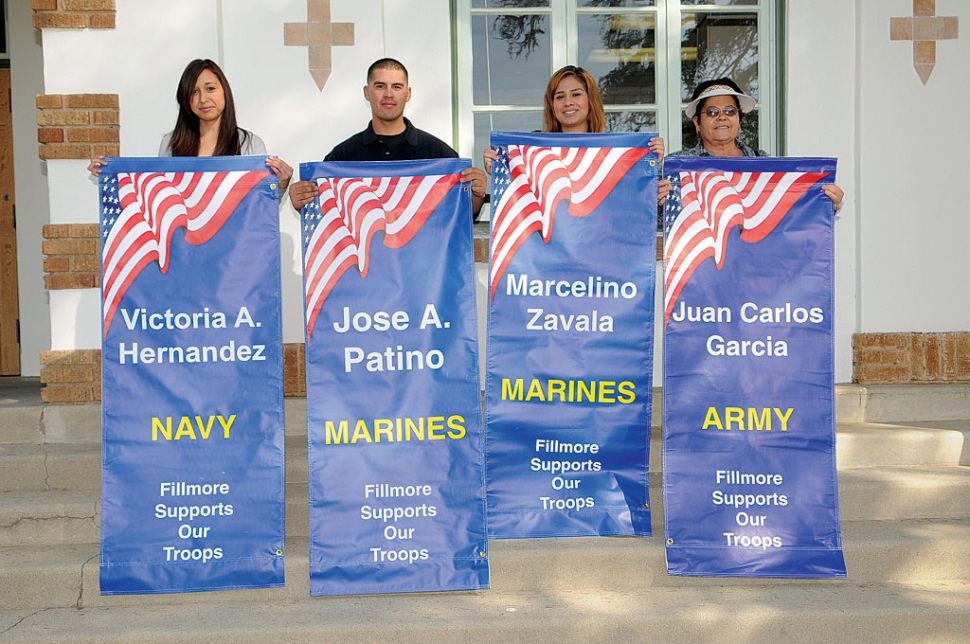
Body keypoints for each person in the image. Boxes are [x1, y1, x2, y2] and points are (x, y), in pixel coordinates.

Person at [288, 58, 487, 216]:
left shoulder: (439, 154)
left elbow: (462, 213)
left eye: (397, 87)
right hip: (363, 266)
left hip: (423, 265)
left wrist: (477, 195)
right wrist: (302, 201)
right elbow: (324, 214)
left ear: (408, 94)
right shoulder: (343, 156)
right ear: (367, 92)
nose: (389, 94)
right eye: (380, 86)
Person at [88, 59, 293, 194]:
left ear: (225, 92)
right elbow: (156, 197)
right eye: (193, 92)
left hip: (233, 253)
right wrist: (111, 175)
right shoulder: (171, 143)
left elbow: (262, 203)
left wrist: (281, 184)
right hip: (184, 251)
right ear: (185, 99)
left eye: (210, 88)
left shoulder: (250, 144)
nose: (203, 99)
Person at [662, 78, 843, 208]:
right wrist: (659, 204)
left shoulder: (764, 163)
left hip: (755, 259)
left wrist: (824, 203)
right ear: (697, 123)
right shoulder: (677, 165)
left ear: (739, 120)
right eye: (712, 112)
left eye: (730, 111)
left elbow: (789, 209)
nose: (722, 117)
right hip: (700, 260)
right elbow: (657, 218)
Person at [483, 65, 665, 177]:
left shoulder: (614, 151)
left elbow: (631, 196)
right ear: (552, 105)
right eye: (559, 96)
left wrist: (648, 160)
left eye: (576, 94)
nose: (568, 102)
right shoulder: (532, 151)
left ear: (590, 100)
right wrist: (500, 169)